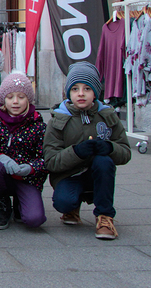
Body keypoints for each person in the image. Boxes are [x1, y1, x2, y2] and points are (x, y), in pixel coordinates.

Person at [44, 62, 131, 240]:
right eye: (75, 89)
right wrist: (76, 152)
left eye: (87, 89)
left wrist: (110, 147)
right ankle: (71, 208)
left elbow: (125, 152)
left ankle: (105, 217)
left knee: (104, 161)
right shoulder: (58, 119)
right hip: (70, 175)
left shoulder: (108, 116)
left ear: (95, 93)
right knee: (63, 202)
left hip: (98, 174)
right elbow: (51, 161)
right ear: (68, 92)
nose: (81, 94)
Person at [0, 72, 47, 230]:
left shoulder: (38, 125)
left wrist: (31, 167)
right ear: (3, 100)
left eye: (21, 97)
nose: (15, 102)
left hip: (26, 178)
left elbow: (45, 158)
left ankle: (21, 203)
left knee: (35, 219)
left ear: (28, 98)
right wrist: (0, 157)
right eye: (10, 97)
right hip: (1, 175)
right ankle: (2, 204)